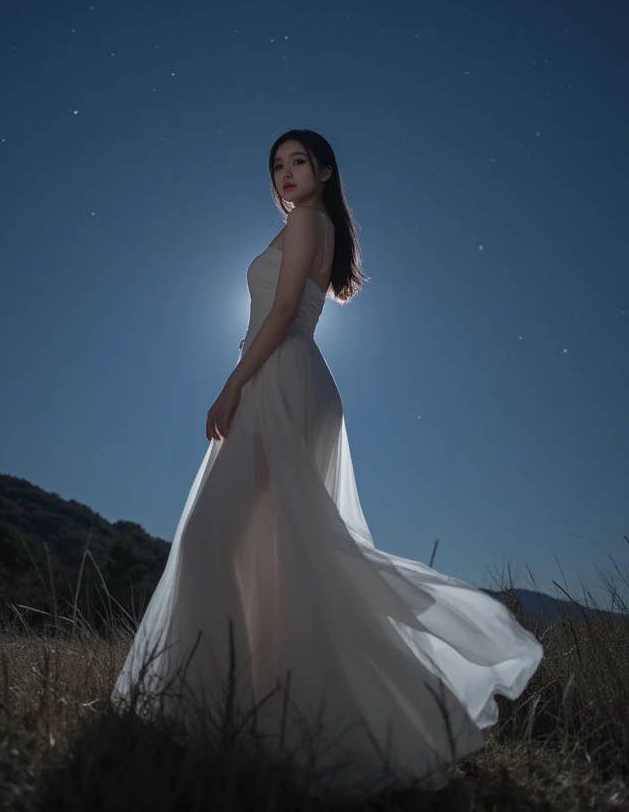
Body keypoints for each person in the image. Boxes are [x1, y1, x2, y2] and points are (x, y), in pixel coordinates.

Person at [111, 128, 543, 797]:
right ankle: (263, 712)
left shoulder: (310, 220)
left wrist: (231, 384)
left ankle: (217, 713)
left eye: (298, 161)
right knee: (275, 551)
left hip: (280, 377)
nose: (285, 174)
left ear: (326, 170)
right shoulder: (312, 226)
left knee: (215, 541)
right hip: (288, 376)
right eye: (276, 165)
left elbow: (283, 311)